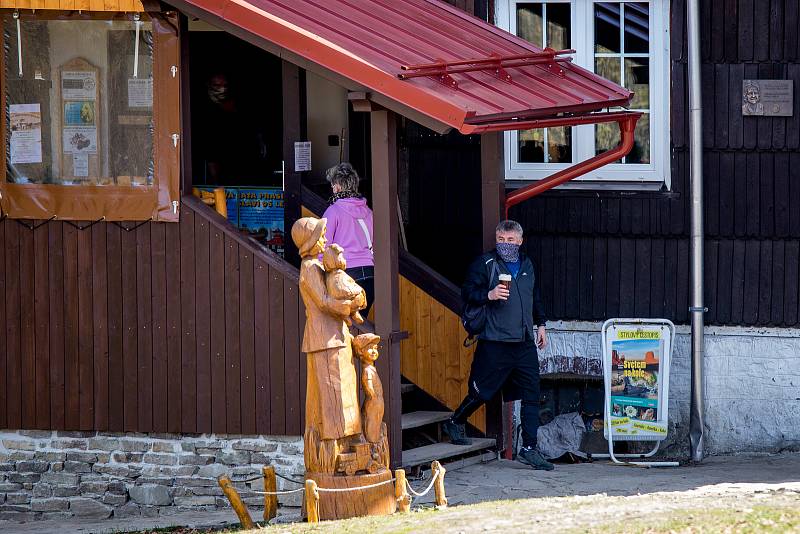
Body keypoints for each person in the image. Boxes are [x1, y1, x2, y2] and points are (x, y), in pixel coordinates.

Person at [443, 220, 554, 471]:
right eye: (501, 240)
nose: (506, 245)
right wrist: (489, 295)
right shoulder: (485, 264)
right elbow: (467, 292)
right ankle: (455, 420)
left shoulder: (527, 265)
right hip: (495, 340)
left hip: (524, 341)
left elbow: (534, 296)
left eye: (511, 240)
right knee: (482, 391)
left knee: (532, 394)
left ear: (520, 241)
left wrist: (542, 324)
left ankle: (529, 448)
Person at [322, 163, 375, 314]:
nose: (332, 189)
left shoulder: (333, 211)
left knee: (342, 325)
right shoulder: (368, 212)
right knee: (360, 323)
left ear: (338, 186)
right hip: (370, 274)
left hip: (346, 274)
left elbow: (323, 247)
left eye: (332, 185)